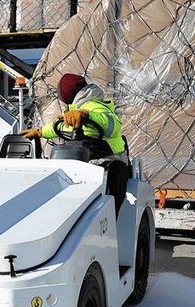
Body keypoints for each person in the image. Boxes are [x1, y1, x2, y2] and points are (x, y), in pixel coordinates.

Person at [24, 73, 129, 214]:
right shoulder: (75, 111)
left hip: (111, 157)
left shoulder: (94, 106)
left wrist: (87, 115)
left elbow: (112, 126)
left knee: (114, 174)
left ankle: (111, 217)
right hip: (89, 157)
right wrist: (40, 132)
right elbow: (61, 127)